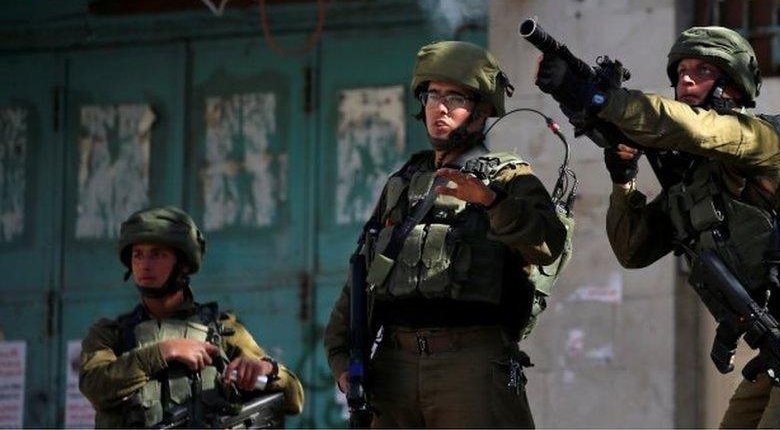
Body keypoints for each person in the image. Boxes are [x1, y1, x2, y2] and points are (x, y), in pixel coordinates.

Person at [535, 26, 780, 428]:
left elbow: (693, 128)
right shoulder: (696, 182)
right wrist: (623, 178)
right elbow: (632, 249)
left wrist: (601, 98)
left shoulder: (760, 140)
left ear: (734, 84)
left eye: (702, 71)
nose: (687, 81)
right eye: (680, 73)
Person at [323, 40, 567, 428]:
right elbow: (366, 272)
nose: (440, 107)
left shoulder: (509, 178)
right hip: (394, 366)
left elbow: (547, 244)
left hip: (470, 363)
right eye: (432, 95)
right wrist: (342, 358)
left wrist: (489, 201)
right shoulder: (403, 183)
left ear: (483, 109)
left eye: (455, 97)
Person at [78, 206, 304, 428]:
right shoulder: (110, 335)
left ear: (183, 264)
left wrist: (266, 371)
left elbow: (294, 398)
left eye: (158, 254)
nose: (145, 265)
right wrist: (164, 351)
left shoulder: (222, 330)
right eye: (138, 255)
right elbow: (94, 387)